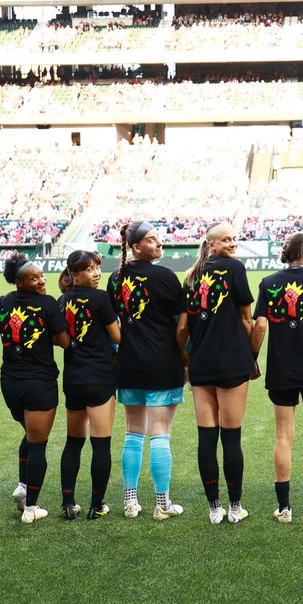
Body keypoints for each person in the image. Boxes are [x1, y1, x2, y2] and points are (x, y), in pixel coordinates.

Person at [250, 233, 303, 523]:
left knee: (283, 437)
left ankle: (284, 508)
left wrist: (252, 357)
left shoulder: (269, 283)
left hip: (281, 368)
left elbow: (260, 326)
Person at [178, 222, 258, 524]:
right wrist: (252, 357)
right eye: (226, 239)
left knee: (207, 438)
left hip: (201, 363)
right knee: (231, 438)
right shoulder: (235, 268)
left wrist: (185, 361)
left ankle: (214, 508)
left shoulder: (191, 275)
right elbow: (247, 319)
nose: (233, 243)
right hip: (233, 362)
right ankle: (235, 506)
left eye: (234, 238)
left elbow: (183, 328)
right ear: (212, 244)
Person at [107, 221, 186, 520]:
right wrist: (183, 356)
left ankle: (130, 501)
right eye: (152, 240)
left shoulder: (115, 278)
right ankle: (162, 504)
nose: (159, 243)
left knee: (133, 433)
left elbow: (113, 322)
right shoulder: (164, 276)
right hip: (162, 362)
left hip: (129, 363)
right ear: (135, 247)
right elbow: (181, 324)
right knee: (160, 434)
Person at [0, 253, 70, 524]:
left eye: (42, 275)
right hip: (40, 382)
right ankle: (31, 508)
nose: (42, 280)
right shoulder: (47, 304)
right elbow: (65, 341)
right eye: (34, 278)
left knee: (30, 434)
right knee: (38, 443)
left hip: (10, 382)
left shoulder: (1, 303)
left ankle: (23, 485)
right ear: (19, 282)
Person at [56, 249, 121, 519]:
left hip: (73, 378)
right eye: (89, 269)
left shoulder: (62, 300)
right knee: (101, 444)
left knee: (73, 442)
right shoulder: (100, 297)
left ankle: (68, 502)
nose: (96, 273)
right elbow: (117, 335)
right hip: (100, 377)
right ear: (75, 274)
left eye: (97, 267)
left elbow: (59, 339)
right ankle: (97, 505)